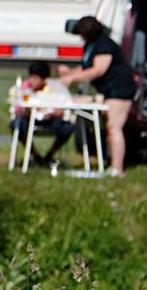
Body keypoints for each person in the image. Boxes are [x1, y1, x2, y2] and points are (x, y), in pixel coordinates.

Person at [55, 16, 137, 177]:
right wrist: (70, 73)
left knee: (114, 127)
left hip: (119, 91)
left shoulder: (104, 45)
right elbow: (87, 67)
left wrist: (73, 78)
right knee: (109, 127)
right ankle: (110, 163)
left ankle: (117, 168)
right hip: (109, 92)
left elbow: (98, 70)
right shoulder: (91, 45)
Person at [8, 62, 79, 168]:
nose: (32, 81)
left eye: (35, 78)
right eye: (31, 77)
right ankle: (35, 155)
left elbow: (63, 107)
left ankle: (49, 155)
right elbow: (18, 107)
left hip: (51, 119)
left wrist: (55, 113)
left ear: (43, 79)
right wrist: (26, 110)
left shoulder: (55, 89)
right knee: (17, 125)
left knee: (66, 128)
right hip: (31, 117)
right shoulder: (25, 89)